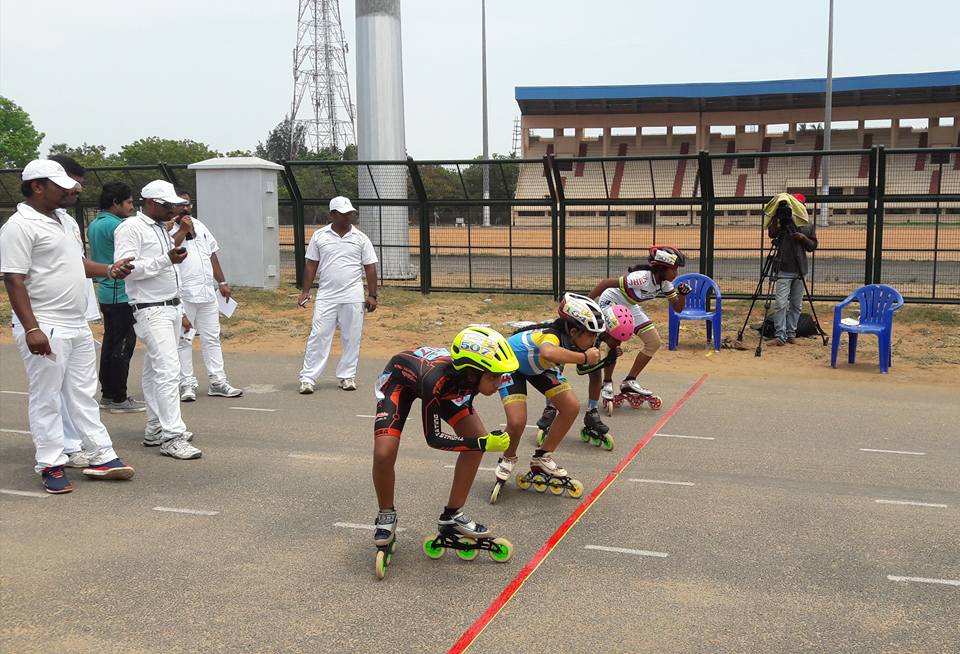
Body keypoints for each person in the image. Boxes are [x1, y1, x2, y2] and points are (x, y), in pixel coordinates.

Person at [0, 159, 136, 493]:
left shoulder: (65, 220)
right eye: (62, 184)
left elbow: (76, 264)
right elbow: (13, 279)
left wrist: (108, 270)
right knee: (47, 397)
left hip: (76, 323)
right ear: (37, 186)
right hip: (45, 323)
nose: (72, 189)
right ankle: (50, 463)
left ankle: (100, 454)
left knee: (83, 394)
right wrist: (32, 329)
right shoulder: (19, 226)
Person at [372, 326, 517, 558]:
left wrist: (480, 442)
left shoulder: (470, 378)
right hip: (400, 383)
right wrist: (482, 443)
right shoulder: (435, 380)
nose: (498, 383)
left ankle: (452, 515)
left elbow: (468, 423)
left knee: (475, 439)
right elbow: (433, 438)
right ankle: (386, 514)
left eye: (500, 376)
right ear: (472, 373)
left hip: (448, 389)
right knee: (384, 452)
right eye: (493, 377)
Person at [114, 180, 201, 460]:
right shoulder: (130, 228)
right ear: (150, 203)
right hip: (151, 308)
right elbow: (126, 269)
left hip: (170, 307)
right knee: (168, 370)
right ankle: (172, 435)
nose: (172, 211)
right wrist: (166, 260)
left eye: (174, 206)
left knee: (155, 370)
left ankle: (155, 427)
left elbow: (165, 261)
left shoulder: (161, 228)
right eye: (168, 206)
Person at [491, 293, 604, 497]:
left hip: (539, 368)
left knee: (570, 407)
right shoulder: (551, 334)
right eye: (590, 335)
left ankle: (542, 457)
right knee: (517, 422)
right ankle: (508, 458)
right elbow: (548, 353)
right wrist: (584, 357)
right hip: (511, 365)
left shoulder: (574, 338)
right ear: (573, 330)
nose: (594, 340)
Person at [297, 196, 378, 394]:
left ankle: (347, 376)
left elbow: (370, 268)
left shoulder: (360, 238)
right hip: (327, 296)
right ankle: (308, 378)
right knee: (318, 336)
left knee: (352, 337)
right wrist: (305, 291)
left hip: (353, 295)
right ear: (331, 215)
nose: (347, 217)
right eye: (343, 214)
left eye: (350, 213)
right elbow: (311, 265)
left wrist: (372, 295)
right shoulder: (319, 236)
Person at [588, 246, 690, 401]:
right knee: (616, 339)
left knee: (653, 342)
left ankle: (629, 380)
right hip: (611, 302)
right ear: (662, 268)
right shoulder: (640, 278)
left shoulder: (665, 284)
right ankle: (607, 382)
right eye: (674, 269)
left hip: (630, 305)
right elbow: (605, 283)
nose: (677, 274)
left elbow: (678, 308)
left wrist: (682, 295)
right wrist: (587, 303)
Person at [170, 190, 242, 401]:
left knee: (212, 338)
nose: (185, 208)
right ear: (172, 207)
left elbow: (212, 254)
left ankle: (217, 381)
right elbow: (168, 248)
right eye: (181, 205)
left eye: (188, 204)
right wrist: (183, 230)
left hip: (207, 292)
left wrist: (222, 282)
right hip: (183, 294)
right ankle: (187, 384)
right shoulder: (167, 229)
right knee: (184, 339)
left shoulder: (200, 226)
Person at [87, 181, 145, 413]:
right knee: (123, 345)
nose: (131, 207)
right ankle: (119, 397)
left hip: (106, 291)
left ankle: (109, 394)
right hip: (120, 293)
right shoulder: (118, 226)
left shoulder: (95, 224)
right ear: (115, 202)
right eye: (129, 202)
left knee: (111, 344)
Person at [766, 193, 817, 346]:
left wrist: (803, 238)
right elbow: (771, 233)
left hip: (801, 269)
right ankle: (780, 335)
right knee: (780, 304)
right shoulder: (781, 223)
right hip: (783, 269)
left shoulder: (807, 225)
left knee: (796, 305)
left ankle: (790, 333)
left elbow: (813, 246)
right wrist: (775, 217)